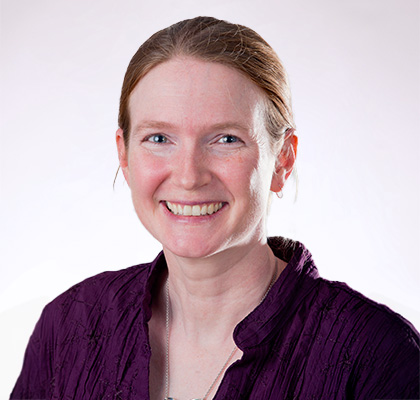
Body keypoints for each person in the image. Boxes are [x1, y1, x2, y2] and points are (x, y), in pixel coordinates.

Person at [10, 16, 419, 400]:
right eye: (158, 138)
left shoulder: (377, 357)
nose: (189, 176)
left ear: (283, 160)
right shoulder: (68, 328)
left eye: (226, 139)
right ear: (124, 154)